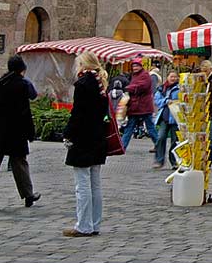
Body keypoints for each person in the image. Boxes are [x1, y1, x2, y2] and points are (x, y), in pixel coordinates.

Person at [0, 55, 41, 212]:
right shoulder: (22, 84)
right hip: (17, 130)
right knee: (20, 163)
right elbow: (26, 110)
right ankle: (28, 195)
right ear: (22, 69)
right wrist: (31, 132)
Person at [62, 52, 109, 237]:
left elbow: (78, 114)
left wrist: (68, 133)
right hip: (98, 137)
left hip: (84, 138)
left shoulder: (83, 84)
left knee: (82, 184)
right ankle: (95, 223)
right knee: (95, 184)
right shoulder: (100, 84)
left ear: (83, 64)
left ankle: (83, 225)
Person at [120, 61, 158, 150]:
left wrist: (128, 88)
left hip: (143, 106)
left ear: (141, 66)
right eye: (134, 66)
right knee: (129, 127)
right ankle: (122, 146)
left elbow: (142, 86)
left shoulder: (145, 75)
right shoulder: (134, 75)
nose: (135, 68)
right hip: (135, 106)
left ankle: (158, 145)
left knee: (150, 127)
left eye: (137, 66)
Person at [153, 71, 181, 169]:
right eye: (171, 76)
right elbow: (157, 100)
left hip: (176, 118)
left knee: (175, 141)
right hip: (164, 117)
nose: (173, 78)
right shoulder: (161, 89)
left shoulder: (180, 88)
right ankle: (159, 160)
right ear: (167, 77)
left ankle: (174, 161)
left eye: (175, 76)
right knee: (160, 137)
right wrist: (166, 101)